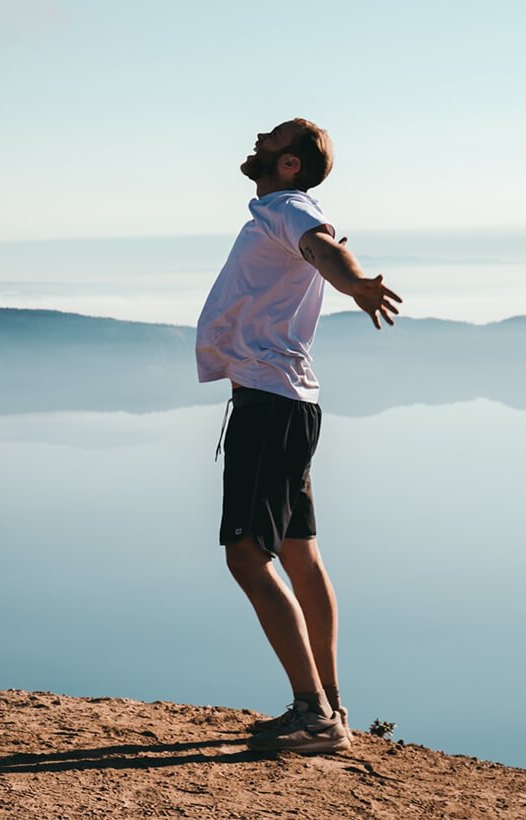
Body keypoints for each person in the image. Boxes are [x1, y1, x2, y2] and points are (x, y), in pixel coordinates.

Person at [194, 118, 401, 754]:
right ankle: (328, 703)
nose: (258, 138)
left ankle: (314, 717)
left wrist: (354, 283)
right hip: (284, 401)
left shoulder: (289, 207)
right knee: (297, 550)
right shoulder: (278, 209)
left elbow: (324, 248)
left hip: (269, 403)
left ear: (290, 164)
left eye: (272, 138)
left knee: (246, 555)